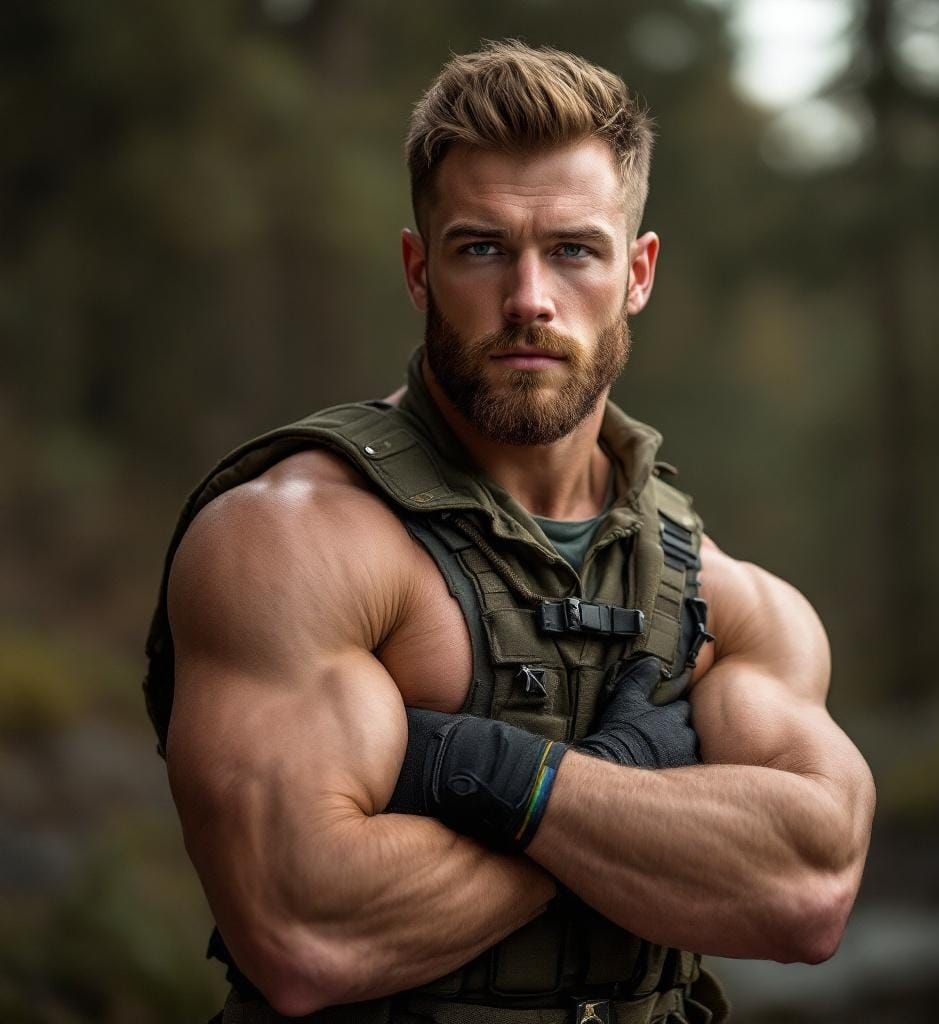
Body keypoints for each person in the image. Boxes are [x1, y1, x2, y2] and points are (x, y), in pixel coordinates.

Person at [142, 40, 875, 1024]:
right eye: (482, 247)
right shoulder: (292, 544)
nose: (529, 298)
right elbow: (304, 933)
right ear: (418, 268)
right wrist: (645, 797)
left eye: (574, 249)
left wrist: (471, 770)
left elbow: (808, 886)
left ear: (637, 272)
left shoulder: (719, 596)